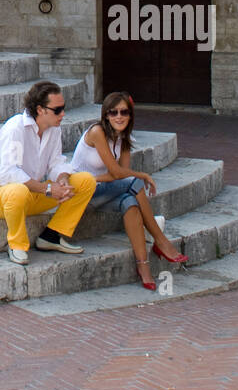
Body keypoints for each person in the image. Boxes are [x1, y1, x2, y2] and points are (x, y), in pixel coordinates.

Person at [70, 90, 188, 290]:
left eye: (124, 112)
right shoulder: (97, 132)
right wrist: (142, 175)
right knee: (135, 183)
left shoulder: (123, 138)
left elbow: (120, 173)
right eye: (113, 112)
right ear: (105, 115)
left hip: (102, 189)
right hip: (81, 193)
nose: (118, 116)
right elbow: (119, 173)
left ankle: (144, 267)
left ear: (130, 115)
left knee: (130, 202)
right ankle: (160, 239)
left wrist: (103, 177)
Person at [0, 80, 97, 264]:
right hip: (0, 195)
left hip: (33, 194)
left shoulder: (53, 129)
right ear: (40, 109)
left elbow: (56, 163)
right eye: (57, 110)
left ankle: (51, 236)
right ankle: (17, 245)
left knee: (85, 181)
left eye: (63, 108)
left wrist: (63, 180)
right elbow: (12, 173)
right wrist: (49, 190)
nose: (63, 114)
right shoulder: (16, 128)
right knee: (17, 190)